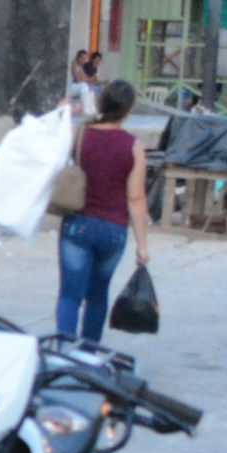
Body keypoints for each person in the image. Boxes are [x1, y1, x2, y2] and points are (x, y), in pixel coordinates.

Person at [55, 80, 151, 342]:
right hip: (113, 232)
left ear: (99, 102)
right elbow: (136, 197)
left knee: (69, 296)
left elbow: (49, 149)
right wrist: (142, 246)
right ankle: (88, 356)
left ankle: (63, 354)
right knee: (97, 297)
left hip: (78, 225)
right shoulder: (133, 147)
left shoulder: (79, 135)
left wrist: (62, 114)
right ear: (128, 111)